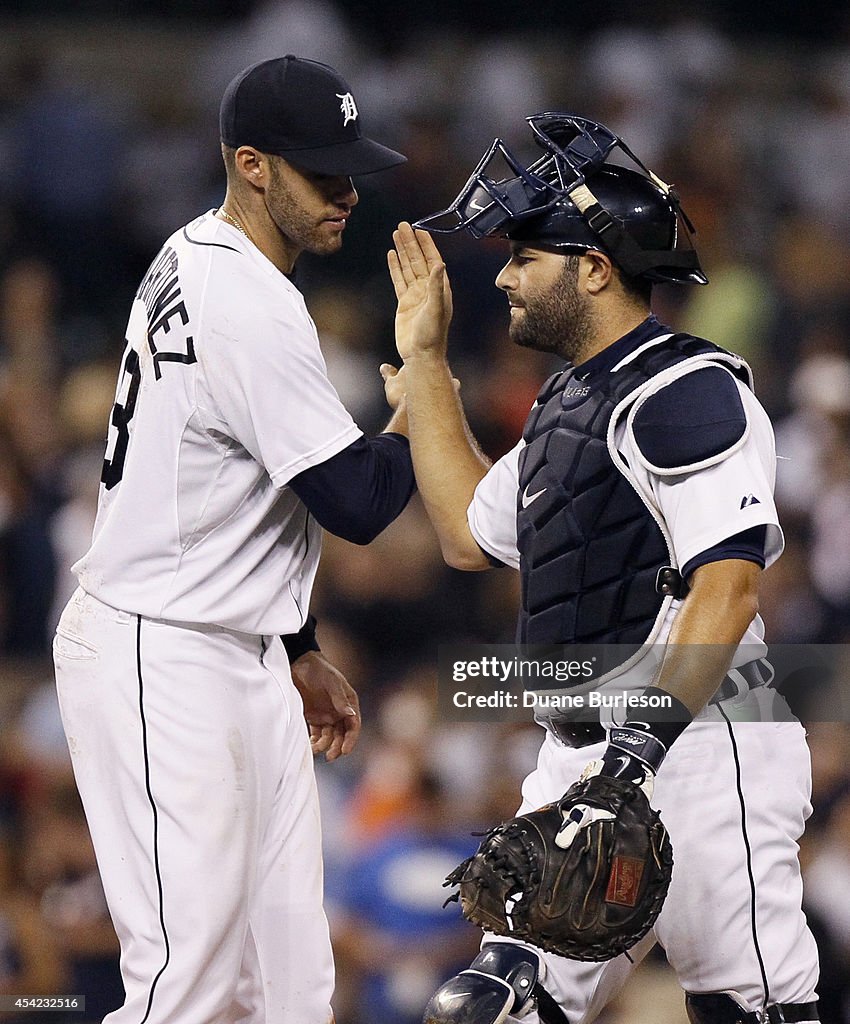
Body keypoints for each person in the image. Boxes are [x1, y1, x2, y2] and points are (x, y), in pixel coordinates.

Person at [381, 114, 820, 1024]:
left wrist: (631, 760)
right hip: (587, 756)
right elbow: (469, 532)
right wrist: (424, 363)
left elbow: (729, 589)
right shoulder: (569, 401)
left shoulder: (688, 391)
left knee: (751, 1013)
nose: (502, 274)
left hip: (703, 747)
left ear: (593, 268)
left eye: (526, 257)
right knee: (485, 1009)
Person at [52, 55, 415, 1024]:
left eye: (348, 168)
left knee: (289, 989)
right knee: (188, 985)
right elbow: (357, 501)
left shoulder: (200, 251)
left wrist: (293, 645)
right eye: (319, 172)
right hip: (160, 650)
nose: (345, 191)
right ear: (251, 164)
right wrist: (421, 387)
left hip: (228, 644)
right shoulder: (244, 300)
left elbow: (236, 492)